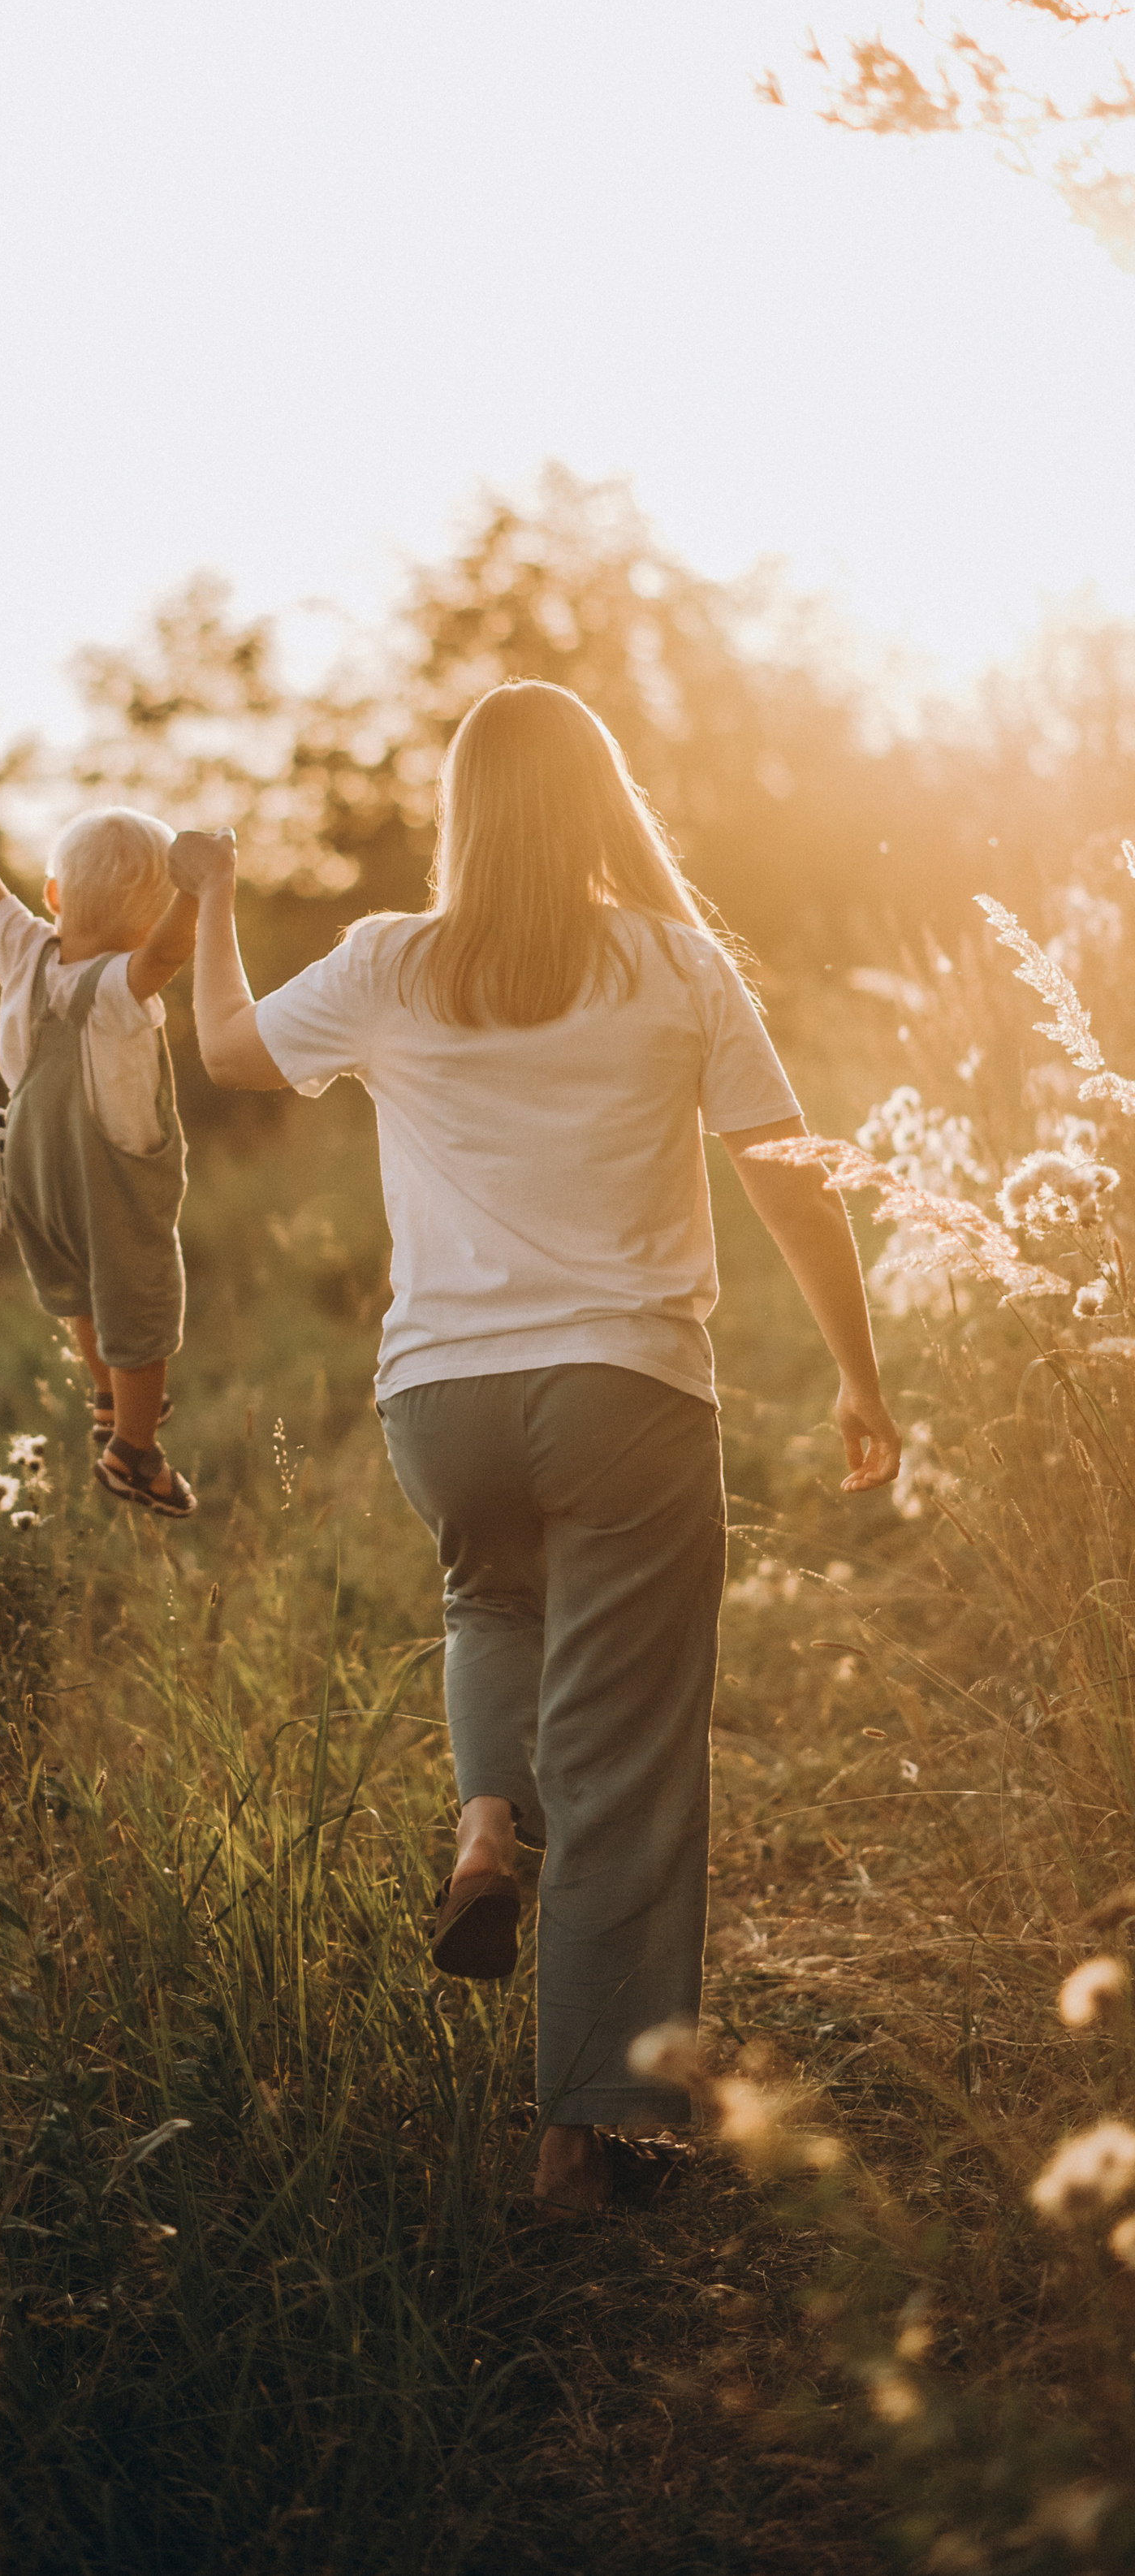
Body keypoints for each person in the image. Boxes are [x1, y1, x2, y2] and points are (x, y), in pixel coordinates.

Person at [170, 679, 900, 2218]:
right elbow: (788, 1172)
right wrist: (858, 1370)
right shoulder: (676, 963)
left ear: (463, 810)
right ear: (600, 801)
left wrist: (216, 892)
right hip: (629, 1391)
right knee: (628, 1759)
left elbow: (226, 1046)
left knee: (490, 1599)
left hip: (443, 1400)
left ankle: (487, 1823)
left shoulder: (390, 960)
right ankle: (582, 2136)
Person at [0, 779, 200, 1515]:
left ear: (53, 896)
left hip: (35, 1176)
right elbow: (169, 952)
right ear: (150, 925)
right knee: (139, 1304)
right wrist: (200, 891)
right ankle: (134, 1450)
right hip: (110, 1181)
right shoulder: (120, 987)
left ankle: (107, 1395)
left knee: (79, 1286)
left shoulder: (22, 951)